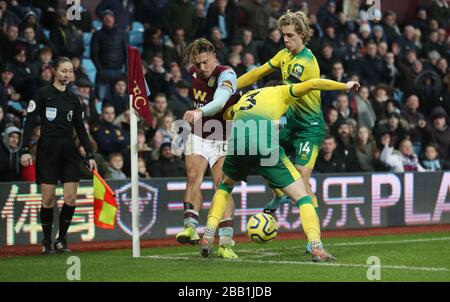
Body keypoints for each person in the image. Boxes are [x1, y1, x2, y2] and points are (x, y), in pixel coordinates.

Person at [200, 78, 360, 261]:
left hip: (236, 143)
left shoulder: (247, 96)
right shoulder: (281, 91)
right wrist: (344, 86)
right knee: (303, 197)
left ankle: (208, 235)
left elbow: (227, 113)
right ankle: (316, 248)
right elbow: (313, 83)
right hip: (263, 143)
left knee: (224, 187)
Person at [236, 10, 324, 253]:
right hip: (290, 123)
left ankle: (313, 242)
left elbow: (284, 91)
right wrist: (231, 85)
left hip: (309, 127)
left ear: (303, 35)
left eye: (290, 35)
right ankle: (279, 195)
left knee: (301, 179)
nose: (285, 40)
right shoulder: (284, 54)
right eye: (283, 35)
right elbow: (258, 72)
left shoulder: (306, 62)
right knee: (262, 154)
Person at [19, 57, 97, 255]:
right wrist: (25, 149)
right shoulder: (42, 94)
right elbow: (29, 122)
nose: (67, 74)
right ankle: (46, 240)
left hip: (69, 150)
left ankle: (61, 239)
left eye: (70, 71)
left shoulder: (73, 99)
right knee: (48, 198)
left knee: (71, 198)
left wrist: (89, 154)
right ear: (54, 71)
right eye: (63, 70)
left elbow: (80, 128)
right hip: (47, 149)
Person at [178, 38, 239, 259]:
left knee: (220, 186)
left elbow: (221, 102)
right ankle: (190, 227)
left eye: (205, 62)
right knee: (193, 176)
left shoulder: (227, 75)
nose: (202, 68)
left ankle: (225, 239)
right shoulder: (194, 71)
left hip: (224, 136)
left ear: (213, 55)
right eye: (197, 64)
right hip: (198, 133)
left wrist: (200, 112)